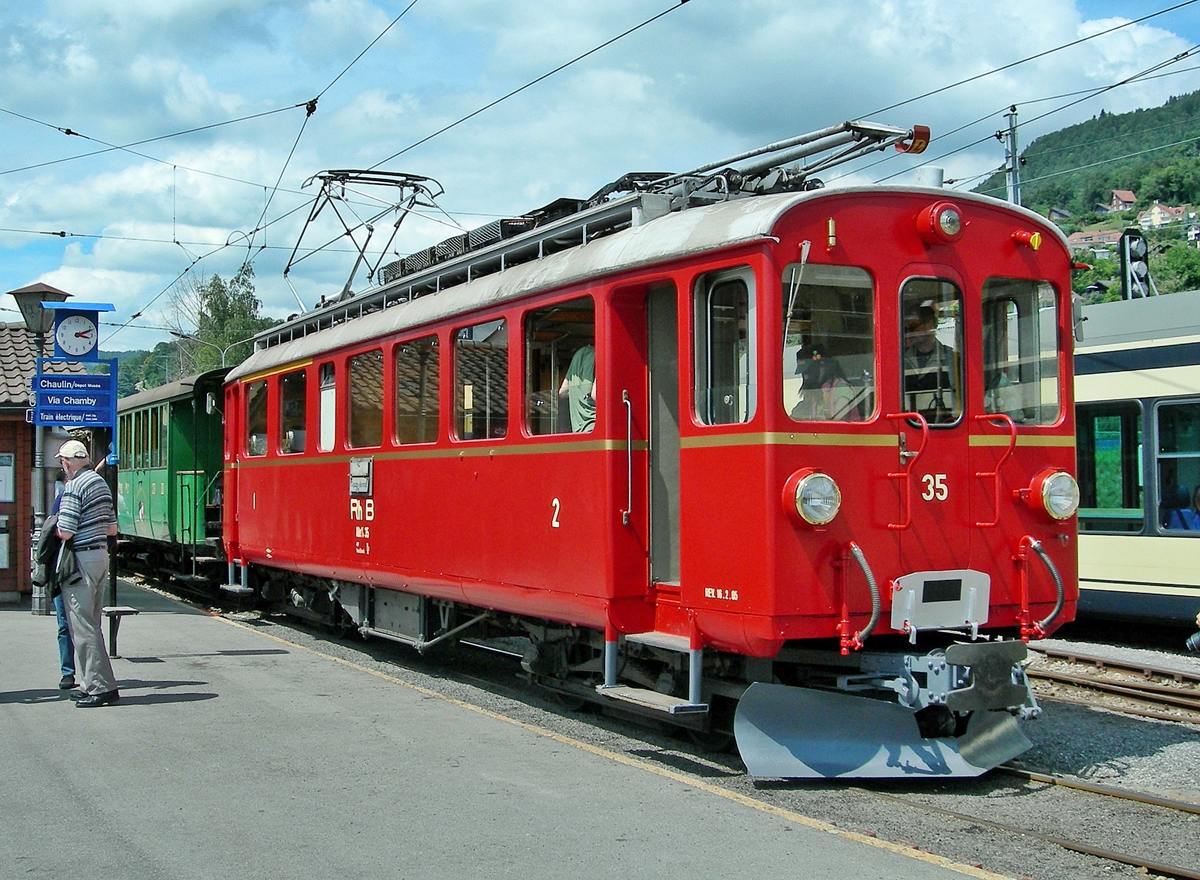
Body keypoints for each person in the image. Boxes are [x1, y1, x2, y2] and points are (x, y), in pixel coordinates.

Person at [54, 439, 120, 708]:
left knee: (82, 626)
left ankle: (102, 687)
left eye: (62, 462)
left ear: (67, 462)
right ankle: (89, 682)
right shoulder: (100, 484)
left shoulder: (74, 487)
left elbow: (66, 531)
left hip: (81, 559)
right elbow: (112, 529)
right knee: (91, 623)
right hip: (101, 556)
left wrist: (53, 528)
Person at [903, 305, 957, 420]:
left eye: (912, 327)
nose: (908, 333)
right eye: (905, 329)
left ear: (930, 325)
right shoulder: (899, 360)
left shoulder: (952, 359)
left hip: (944, 426)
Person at [790, 344, 856, 421]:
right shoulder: (816, 391)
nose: (806, 377)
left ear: (822, 366)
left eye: (809, 371)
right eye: (803, 373)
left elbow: (837, 422)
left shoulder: (841, 389)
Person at [558, 343, 596, 433]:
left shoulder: (578, 354)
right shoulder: (601, 357)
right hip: (594, 426)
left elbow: (562, 391)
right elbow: (595, 395)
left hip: (577, 428)